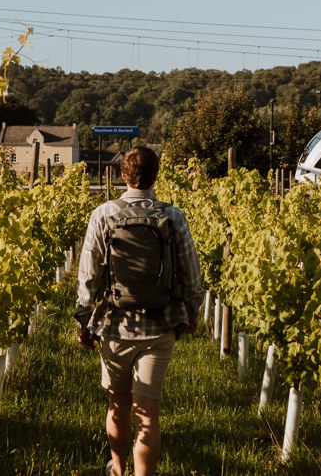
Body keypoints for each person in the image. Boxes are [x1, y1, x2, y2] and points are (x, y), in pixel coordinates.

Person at [75, 146, 203, 476]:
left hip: (115, 327)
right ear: (156, 175)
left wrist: (84, 320)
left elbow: (89, 275)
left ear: (122, 175)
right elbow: (191, 273)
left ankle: (118, 470)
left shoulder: (102, 214)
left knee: (118, 406)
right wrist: (192, 311)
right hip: (160, 327)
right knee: (148, 413)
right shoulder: (173, 217)